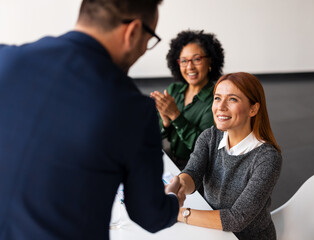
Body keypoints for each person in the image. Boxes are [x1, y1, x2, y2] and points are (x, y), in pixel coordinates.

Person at [0, 1, 183, 240]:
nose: (142, 51)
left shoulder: (6, 59)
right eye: (148, 41)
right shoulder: (133, 108)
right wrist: (173, 202)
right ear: (133, 31)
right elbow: (149, 215)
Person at [175, 72, 282, 240]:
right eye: (217, 98)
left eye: (232, 99)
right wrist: (179, 184)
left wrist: (179, 214)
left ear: (253, 109)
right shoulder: (209, 136)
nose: (221, 107)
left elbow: (236, 218)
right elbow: (193, 173)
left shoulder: (267, 158)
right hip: (212, 230)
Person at [150, 30, 224, 170]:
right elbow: (156, 135)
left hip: (198, 171)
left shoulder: (217, 100)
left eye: (197, 59)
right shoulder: (174, 90)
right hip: (171, 161)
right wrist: (165, 121)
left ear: (210, 61)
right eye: (184, 60)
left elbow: (204, 147)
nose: (189, 67)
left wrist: (175, 115)